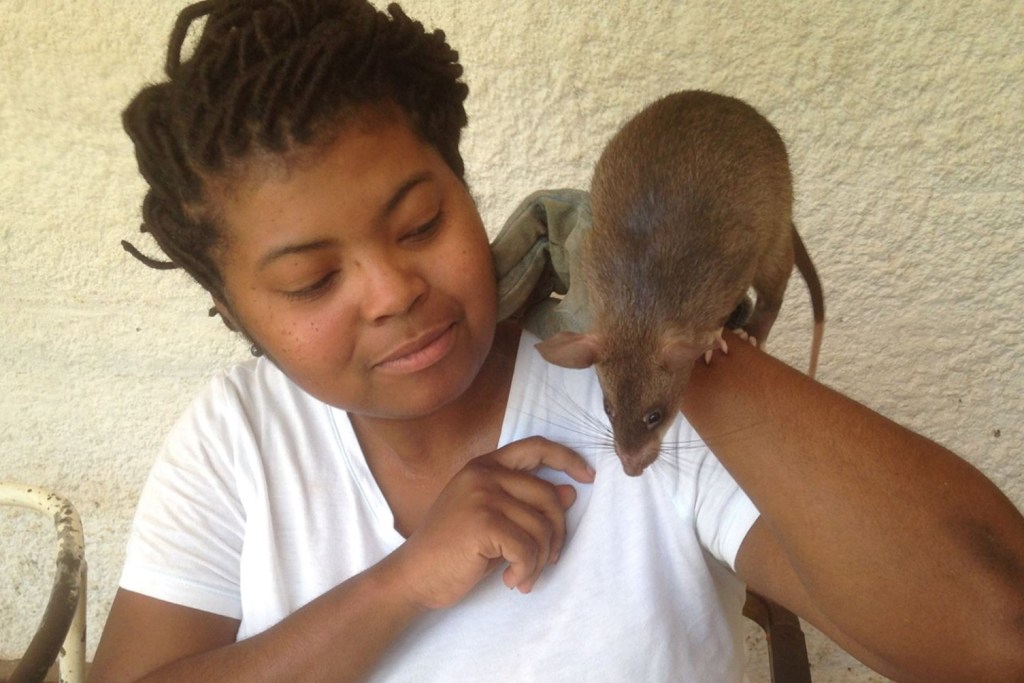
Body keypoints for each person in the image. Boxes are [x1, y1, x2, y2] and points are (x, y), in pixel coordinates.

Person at [90, 1, 1024, 681]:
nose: (394, 291)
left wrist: (666, 333)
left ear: (466, 189)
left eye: (421, 224)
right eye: (311, 280)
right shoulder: (239, 437)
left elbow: (995, 636)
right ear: (233, 313)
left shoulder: (630, 396)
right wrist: (400, 585)